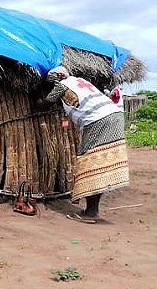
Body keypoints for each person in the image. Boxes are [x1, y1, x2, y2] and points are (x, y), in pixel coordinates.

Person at [43, 66, 129, 223]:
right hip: (115, 116)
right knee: (101, 163)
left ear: (60, 76)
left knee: (89, 163)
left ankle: (90, 212)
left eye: (52, 79)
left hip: (98, 121)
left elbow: (45, 103)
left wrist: (38, 98)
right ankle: (93, 210)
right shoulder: (80, 81)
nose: (51, 83)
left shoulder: (62, 85)